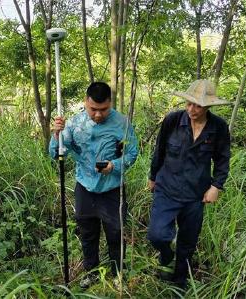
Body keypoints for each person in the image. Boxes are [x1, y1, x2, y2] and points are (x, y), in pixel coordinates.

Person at [49, 82, 138, 289]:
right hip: (85, 188)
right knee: (87, 233)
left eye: (103, 109)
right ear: (85, 103)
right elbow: (55, 153)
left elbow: (132, 153)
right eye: (93, 109)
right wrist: (56, 135)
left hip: (113, 189)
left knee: (116, 233)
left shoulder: (122, 123)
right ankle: (91, 272)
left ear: (110, 104)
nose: (98, 114)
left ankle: (118, 275)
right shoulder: (73, 124)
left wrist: (114, 165)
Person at [147, 79, 231, 289]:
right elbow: (159, 151)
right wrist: (152, 176)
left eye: (199, 105)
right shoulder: (173, 121)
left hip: (195, 194)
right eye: (189, 104)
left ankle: (179, 282)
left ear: (209, 106)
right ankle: (166, 254)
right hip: (167, 188)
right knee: (157, 234)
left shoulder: (218, 127)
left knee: (188, 241)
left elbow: (222, 159)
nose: (192, 109)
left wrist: (216, 186)